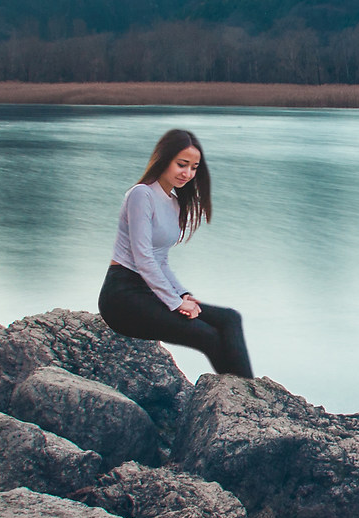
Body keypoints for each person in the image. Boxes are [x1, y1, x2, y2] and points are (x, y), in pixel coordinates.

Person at [97, 128, 254, 378]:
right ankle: (242, 397)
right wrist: (175, 302)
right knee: (207, 335)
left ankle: (249, 391)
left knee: (229, 318)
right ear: (164, 158)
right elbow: (143, 257)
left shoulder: (173, 202)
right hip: (122, 297)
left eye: (194, 167)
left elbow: (161, 260)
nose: (188, 174)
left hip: (150, 290)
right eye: (182, 164)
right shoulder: (141, 194)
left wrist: (184, 294)